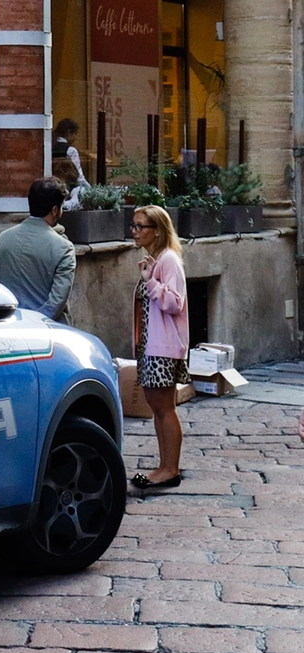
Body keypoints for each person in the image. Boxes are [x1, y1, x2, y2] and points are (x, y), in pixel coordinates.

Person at [130, 204, 189, 490]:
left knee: (164, 407)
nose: (135, 231)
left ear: (157, 231)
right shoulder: (156, 259)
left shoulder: (168, 261)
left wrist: (150, 281)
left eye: (141, 226)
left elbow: (174, 303)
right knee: (157, 406)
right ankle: (165, 465)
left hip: (162, 347)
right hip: (152, 346)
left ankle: (170, 469)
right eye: (134, 225)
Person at [0, 176, 76, 323]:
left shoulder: (1, 239)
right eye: (62, 207)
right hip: (48, 332)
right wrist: (34, 323)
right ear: (55, 210)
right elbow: (57, 301)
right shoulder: (64, 248)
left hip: (6, 328)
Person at [53, 119, 87, 209]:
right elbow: (79, 176)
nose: (76, 138)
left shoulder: (51, 147)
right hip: (68, 188)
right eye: (75, 134)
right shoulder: (71, 151)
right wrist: (89, 189)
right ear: (69, 132)